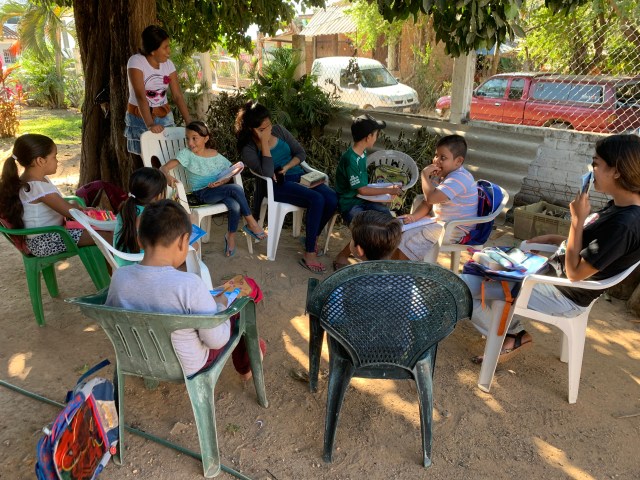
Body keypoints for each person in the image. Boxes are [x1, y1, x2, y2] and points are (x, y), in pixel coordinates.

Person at [462, 134, 640, 363]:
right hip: (551, 276)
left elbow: (575, 273)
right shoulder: (618, 206)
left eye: (596, 164)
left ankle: (513, 335)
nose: (591, 170)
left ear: (616, 171)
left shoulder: (625, 225)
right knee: (478, 268)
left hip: (562, 294)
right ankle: (511, 332)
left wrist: (577, 220)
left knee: (466, 287)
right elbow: (587, 244)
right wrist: (555, 238)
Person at [106, 199, 266, 380]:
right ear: (183, 241)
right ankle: (247, 365)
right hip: (188, 365)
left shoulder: (119, 277)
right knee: (243, 295)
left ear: (139, 242)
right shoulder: (189, 285)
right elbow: (216, 340)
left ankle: (248, 357)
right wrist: (221, 306)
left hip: (139, 359)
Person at [236, 102, 338, 273]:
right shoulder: (248, 149)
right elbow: (267, 172)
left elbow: (300, 153)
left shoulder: (279, 131)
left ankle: (311, 239)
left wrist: (287, 167)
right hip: (277, 185)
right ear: (251, 129)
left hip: (298, 175)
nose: (268, 130)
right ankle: (309, 254)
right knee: (317, 199)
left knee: (332, 198)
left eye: (269, 125)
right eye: (262, 129)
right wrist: (264, 143)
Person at [160, 121, 266, 257]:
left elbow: (229, 172)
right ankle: (252, 223)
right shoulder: (186, 154)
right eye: (187, 138)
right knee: (235, 189)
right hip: (199, 194)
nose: (190, 143)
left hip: (216, 192)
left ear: (206, 138)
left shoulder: (214, 154)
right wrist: (167, 176)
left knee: (235, 205)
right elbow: (163, 168)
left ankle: (230, 236)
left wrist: (222, 181)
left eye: (194, 138)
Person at [0, 134, 101, 256]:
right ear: (40, 161)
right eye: (54, 156)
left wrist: (75, 206)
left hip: (46, 237)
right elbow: (71, 213)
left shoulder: (28, 181)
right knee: (107, 235)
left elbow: (59, 205)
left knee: (104, 235)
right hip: (44, 242)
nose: (57, 161)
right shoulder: (38, 187)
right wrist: (75, 205)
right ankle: (116, 268)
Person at [332, 114, 402, 270]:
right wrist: (389, 190)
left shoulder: (362, 153)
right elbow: (362, 189)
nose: (377, 138)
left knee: (388, 222)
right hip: (349, 202)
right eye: (376, 134)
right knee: (365, 230)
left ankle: (380, 259)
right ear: (368, 136)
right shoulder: (351, 159)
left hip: (362, 199)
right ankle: (344, 256)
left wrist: (384, 191)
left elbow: (363, 186)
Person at [396, 134, 477, 263]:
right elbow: (427, 203)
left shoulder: (460, 178)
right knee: (396, 228)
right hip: (439, 221)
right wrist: (414, 217)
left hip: (456, 229)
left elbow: (431, 198)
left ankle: (404, 271)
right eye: (436, 155)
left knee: (410, 238)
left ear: (458, 161)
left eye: (443, 158)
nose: (436, 160)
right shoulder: (440, 175)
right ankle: (395, 268)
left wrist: (424, 175)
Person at [125, 25, 191, 157]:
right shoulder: (136, 61)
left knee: (170, 156)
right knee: (148, 160)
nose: (169, 51)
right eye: (165, 47)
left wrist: (189, 122)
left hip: (163, 115)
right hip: (141, 117)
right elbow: (140, 96)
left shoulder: (168, 64)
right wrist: (150, 124)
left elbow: (177, 96)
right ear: (152, 50)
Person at [113, 167, 167, 265]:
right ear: (158, 196)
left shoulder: (126, 209)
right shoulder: (151, 217)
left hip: (122, 265)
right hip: (143, 267)